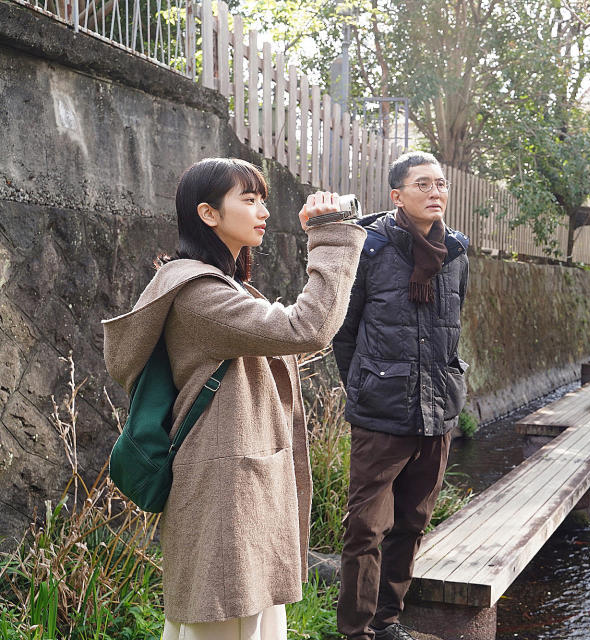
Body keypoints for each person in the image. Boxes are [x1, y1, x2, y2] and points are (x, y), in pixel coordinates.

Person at [102, 157, 366, 640]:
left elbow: (300, 334)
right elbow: (306, 327)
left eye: (262, 198)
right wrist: (331, 235)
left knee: (248, 620)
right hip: (225, 495)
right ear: (208, 214)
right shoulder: (199, 294)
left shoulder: (226, 286)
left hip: (239, 487)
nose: (262, 210)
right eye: (248, 200)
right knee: (222, 624)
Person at [333, 151, 470, 640]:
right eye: (423, 185)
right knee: (365, 528)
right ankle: (355, 629)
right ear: (397, 195)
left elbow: (451, 329)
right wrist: (367, 383)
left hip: (438, 410)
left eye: (441, 184)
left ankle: (388, 620)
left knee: (412, 521)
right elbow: (343, 331)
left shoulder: (455, 252)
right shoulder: (369, 248)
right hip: (381, 409)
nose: (436, 192)